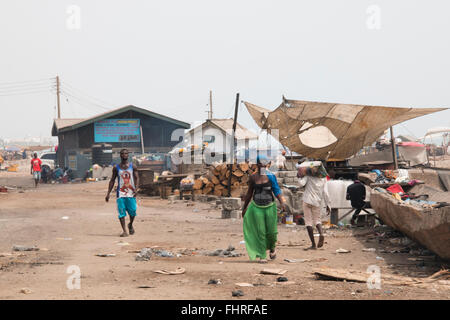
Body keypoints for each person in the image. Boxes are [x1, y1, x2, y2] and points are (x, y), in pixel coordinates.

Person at [242, 154, 287, 263]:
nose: (262, 165)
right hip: (257, 207)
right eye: (260, 163)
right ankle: (262, 255)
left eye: (264, 163)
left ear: (267, 164)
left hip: (270, 207)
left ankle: (272, 247)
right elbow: (249, 194)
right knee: (260, 231)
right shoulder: (253, 177)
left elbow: (277, 191)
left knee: (271, 232)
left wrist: (282, 202)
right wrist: (244, 208)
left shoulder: (271, 176)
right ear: (257, 164)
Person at [105, 149, 139, 237]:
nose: (124, 155)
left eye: (126, 153)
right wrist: (108, 193)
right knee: (121, 212)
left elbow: (137, 178)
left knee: (133, 211)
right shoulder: (116, 167)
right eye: (122, 153)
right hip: (120, 193)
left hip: (131, 193)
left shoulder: (133, 166)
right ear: (120, 155)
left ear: (128, 155)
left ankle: (130, 224)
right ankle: (124, 231)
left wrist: (136, 188)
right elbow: (112, 180)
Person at [298, 164, 331, 250]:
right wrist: (328, 205)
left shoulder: (308, 176)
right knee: (317, 220)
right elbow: (326, 193)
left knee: (308, 222)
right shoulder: (324, 179)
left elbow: (301, 184)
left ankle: (313, 245)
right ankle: (321, 233)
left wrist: (299, 176)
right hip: (317, 202)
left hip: (307, 200)